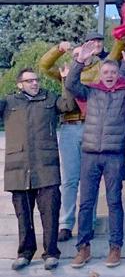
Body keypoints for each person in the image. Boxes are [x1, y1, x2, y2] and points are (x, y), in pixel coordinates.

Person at [39, 33, 124, 242]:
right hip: (69, 126)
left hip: (91, 127)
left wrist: (122, 34)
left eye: (87, 53)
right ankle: (66, 223)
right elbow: (44, 66)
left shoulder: (99, 70)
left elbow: (115, 53)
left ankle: (90, 222)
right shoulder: (67, 72)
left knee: (89, 179)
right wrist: (59, 48)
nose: (84, 56)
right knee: (70, 180)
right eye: (79, 53)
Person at [67, 41, 125, 269]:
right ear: (100, 74)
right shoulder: (91, 91)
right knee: (86, 204)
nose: (109, 75)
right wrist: (79, 61)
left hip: (114, 155)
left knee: (114, 202)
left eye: (113, 72)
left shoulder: (123, 93)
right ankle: (83, 248)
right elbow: (71, 84)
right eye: (106, 72)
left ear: (118, 74)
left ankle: (115, 247)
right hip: (90, 154)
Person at [1, 68, 74, 271]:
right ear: (19, 84)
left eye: (36, 80)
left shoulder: (49, 99)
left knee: (50, 212)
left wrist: (66, 80)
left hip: (46, 166)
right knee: (23, 214)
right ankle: (25, 252)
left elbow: (68, 105)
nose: (34, 83)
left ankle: (51, 253)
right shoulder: (9, 102)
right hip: (18, 168)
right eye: (29, 81)